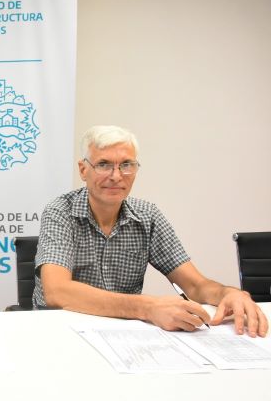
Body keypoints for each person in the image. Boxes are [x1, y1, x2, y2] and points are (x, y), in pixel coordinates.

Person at [34, 125, 268, 337]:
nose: (116, 176)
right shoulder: (60, 211)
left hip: (123, 332)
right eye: (103, 164)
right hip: (61, 331)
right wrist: (148, 307)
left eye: (126, 165)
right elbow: (57, 292)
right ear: (83, 169)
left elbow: (195, 285)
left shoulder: (148, 215)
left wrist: (228, 293)